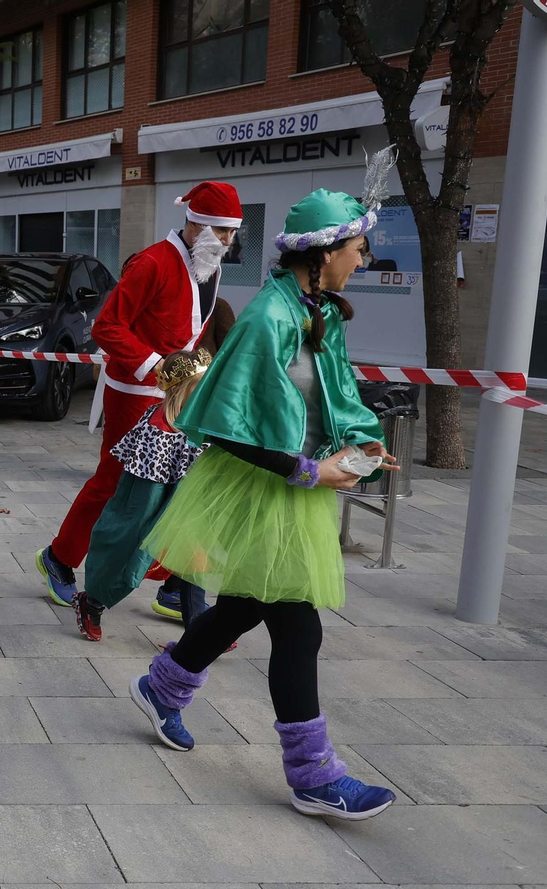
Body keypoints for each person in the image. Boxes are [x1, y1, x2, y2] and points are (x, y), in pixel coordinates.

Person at [130, 186, 401, 821]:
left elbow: (331, 395)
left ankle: (161, 685)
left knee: (245, 605)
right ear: (325, 252)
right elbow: (219, 425)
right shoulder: (267, 319)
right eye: (357, 250)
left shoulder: (317, 312)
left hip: (297, 486)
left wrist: (362, 443)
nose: (362, 260)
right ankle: (313, 777)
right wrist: (310, 471)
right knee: (298, 626)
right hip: (268, 487)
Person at [37, 181, 239, 610]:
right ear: (197, 224)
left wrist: (194, 375)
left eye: (231, 232)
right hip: (132, 391)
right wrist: (154, 365)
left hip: (175, 392)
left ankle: (171, 585)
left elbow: (195, 327)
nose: (228, 241)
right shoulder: (151, 262)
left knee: (175, 484)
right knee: (114, 482)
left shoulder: (209, 264)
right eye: (222, 231)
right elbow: (106, 327)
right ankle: (59, 558)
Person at [73, 349, 214, 641]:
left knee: (193, 555)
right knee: (132, 552)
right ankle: (93, 600)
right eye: (199, 388)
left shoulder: (203, 423)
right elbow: (143, 499)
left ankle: (200, 634)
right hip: (151, 499)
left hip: (188, 502)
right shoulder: (159, 428)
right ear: (180, 391)